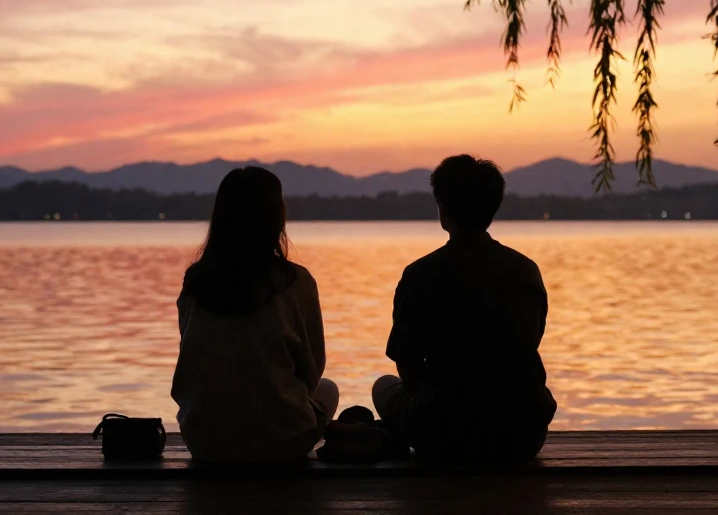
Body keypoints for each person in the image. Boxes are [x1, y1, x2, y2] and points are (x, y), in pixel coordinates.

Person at [372, 154, 556, 461]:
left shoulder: (421, 273)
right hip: (523, 434)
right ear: (493, 207)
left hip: (447, 436)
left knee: (384, 387)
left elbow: (408, 365)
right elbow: (528, 343)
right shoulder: (526, 270)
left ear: (443, 207)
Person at [171, 166, 339, 463]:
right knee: (328, 390)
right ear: (276, 218)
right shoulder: (294, 282)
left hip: (206, 443)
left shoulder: (196, 281)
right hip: (281, 443)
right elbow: (312, 374)